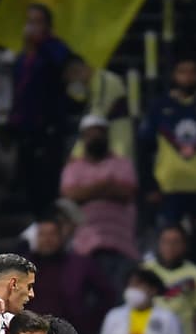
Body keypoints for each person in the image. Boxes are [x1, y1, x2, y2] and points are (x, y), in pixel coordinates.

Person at [8, 3, 74, 217]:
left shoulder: (55, 48)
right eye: (29, 22)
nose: (32, 28)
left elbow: (63, 65)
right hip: (25, 125)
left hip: (48, 124)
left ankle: (48, 218)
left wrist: (42, 44)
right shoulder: (23, 56)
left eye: (37, 22)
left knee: (47, 176)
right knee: (28, 178)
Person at [141, 56, 196, 227]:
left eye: (193, 72)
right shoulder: (159, 106)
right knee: (169, 241)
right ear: (173, 75)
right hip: (168, 187)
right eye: (182, 72)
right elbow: (144, 148)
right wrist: (150, 186)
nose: (188, 77)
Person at [60, 113, 139, 286]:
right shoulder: (73, 167)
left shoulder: (123, 163)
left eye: (100, 132)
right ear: (83, 137)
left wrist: (87, 190)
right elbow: (70, 195)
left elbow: (126, 191)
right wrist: (106, 184)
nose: (96, 137)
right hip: (85, 246)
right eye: (91, 133)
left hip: (121, 244)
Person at [27, 213, 110, 334]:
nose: (47, 239)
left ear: (61, 237)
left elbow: (107, 294)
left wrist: (89, 324)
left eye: (52, 234)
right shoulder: (24, 266)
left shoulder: (80, 264)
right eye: (42, 234)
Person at [144, 224, 196, 334]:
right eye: (166, 241)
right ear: (159, 244)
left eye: (176, 242)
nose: (170, 247)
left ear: (184, 246)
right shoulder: (146, 271)